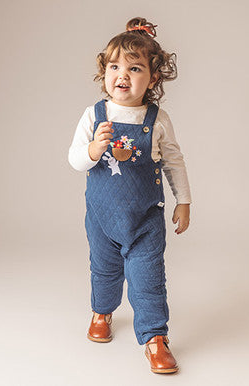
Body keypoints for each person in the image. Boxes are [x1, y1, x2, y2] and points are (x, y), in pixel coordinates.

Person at [68, 17, 192, 374]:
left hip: (145, 219)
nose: (122, 75)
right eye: (114, 67)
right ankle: (102, 312)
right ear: (104, 72)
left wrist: (183, 200)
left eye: (135, 68)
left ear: (153, 79)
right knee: (104, 270)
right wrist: (93, 149)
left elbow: (174, 162)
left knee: (149, 279)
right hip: (102, 217)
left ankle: (155, 338)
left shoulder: (158, 119)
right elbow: (75, 160)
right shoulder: (94, 115)